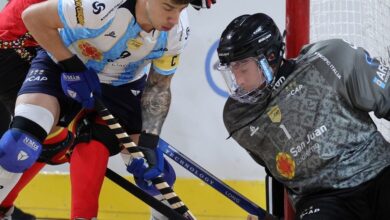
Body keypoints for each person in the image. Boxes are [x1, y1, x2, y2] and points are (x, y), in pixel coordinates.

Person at [0, 0, 217, 219]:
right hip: (63, 64)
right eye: (169, 7)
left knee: (153, 172)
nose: (174, 19)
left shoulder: (177, 32)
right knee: (19, 143)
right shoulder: (103, 5)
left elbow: (159, 87)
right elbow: (33, 17)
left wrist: (150, 142)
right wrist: (72, 66)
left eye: (181, 9)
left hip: (122, 85)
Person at [217, 13, 390, 220]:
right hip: (323, 198)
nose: (239, 80)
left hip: (378, 170)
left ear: (270, 57)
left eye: (243, 68)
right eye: (232, 71)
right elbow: (275, 171)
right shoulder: (239, 118)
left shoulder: (329, 60)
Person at [0, 0, 78, 218]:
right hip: (13, 50)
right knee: (42, 139)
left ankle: (5, 205)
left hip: (18, 47)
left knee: (47, 139)